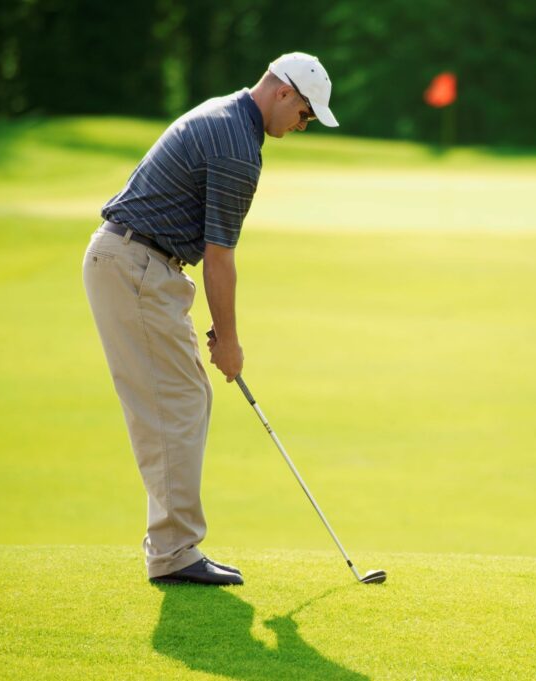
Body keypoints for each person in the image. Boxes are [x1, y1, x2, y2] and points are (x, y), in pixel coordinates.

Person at [82, 52, 339, 586]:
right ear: (283, 92)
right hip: (134, 265)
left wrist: (221, 333)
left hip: (137, 262)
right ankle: (173, 552)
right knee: (177, 401)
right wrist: (231, 343)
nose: (303, 125)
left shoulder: (226, 118)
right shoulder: (237, 147)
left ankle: (172, 545)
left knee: (187, 397)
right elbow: (221, 256)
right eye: (305, 113)